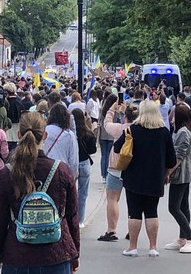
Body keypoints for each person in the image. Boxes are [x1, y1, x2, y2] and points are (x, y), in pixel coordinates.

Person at [0, 111, 80, 273]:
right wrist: (74, 253)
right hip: (56, 254)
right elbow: (72, 216)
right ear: (45, 135)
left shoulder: (7, 174)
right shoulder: (61, 171)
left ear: (19, 134)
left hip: (18, 255)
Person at [114, 100, 176, 257]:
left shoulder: (133, 130)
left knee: (134, 212)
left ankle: (132, 246)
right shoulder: (164, 132)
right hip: (155, 179)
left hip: (133, 178)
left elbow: (117, 148)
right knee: (152, 212)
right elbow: (172, 160)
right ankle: (153, 247)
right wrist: (166, 172)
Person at [97, 102, 137, 242]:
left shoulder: (119, 129)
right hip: (134, 168)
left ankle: (111, 230)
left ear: (125, 116)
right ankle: (133, 229)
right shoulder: (139, 130)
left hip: (116, 167)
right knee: (134, 201)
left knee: (112, 199)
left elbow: (106, 123)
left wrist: (112, 109)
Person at [165, 104, 191, 253]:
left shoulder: (182, 132)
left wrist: (168, 172)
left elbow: (179, 156)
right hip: (187, 172)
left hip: (182, 172)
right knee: (183, 206)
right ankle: (182, 238)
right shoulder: (190, 129)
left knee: (173, 207)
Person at [73, 108, 97, 229]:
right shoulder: (88, 133)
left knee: (71, 192)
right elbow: (93, 150)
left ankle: (70, 218)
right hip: (85, 163)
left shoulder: (70, 134)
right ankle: (80, 220)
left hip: (73, 164)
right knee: (82, 194)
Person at [45, 103, 79, 179]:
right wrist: (71, 177)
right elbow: (73, 162)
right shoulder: (69, 135)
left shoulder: (44, 131)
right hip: (62, 172)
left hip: (45, 169)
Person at [98, 94, 119, 182]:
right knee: (109, 156)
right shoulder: (116, 113)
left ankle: (103, 175)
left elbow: (99, 121)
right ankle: (107, 174)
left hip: (102, 134)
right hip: (111, 135)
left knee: (104, 155)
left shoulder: (102, 110)